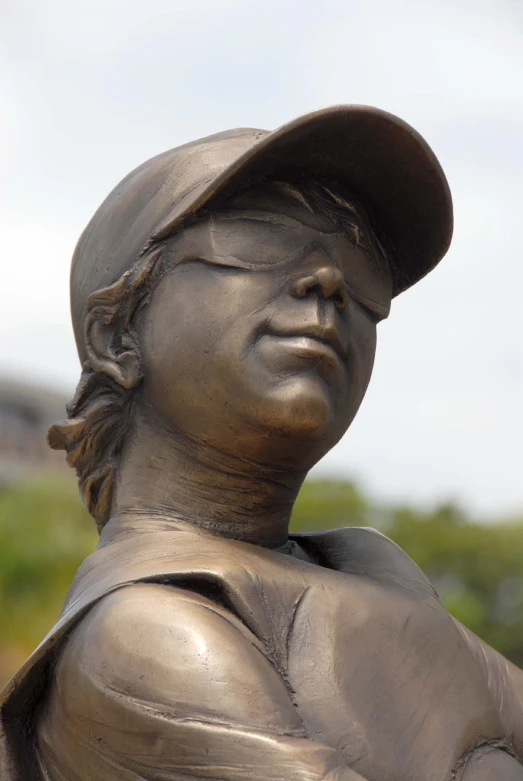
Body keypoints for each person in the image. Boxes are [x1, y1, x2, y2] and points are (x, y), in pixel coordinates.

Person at [1, 106, 522, 781]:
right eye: (258, 238)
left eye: (361, 264)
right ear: (116, 336)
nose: (328, 279)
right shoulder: (145, 637)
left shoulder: (366, 567)